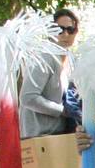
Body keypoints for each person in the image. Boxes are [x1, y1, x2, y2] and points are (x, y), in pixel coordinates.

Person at [20, 8, 79, 139]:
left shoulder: (71, 59)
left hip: (60, 135)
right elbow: (28, 98)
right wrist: (62, 111)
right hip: (39, 136)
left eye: (70, 30)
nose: (65, 34)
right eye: (59, 29)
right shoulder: (43, 57)